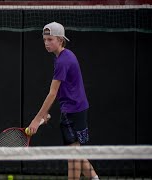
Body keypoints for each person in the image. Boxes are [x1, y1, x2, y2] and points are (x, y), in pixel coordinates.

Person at [27, 22, 99, 180]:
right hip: (79, 109)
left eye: (50, 39)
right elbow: (62, 90)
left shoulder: (62, 61)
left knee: (72, 156)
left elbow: (52, 93)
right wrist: (45, 113)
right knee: (76, 153)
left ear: (60, 40)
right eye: (45, 39)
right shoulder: (67, 55)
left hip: (72, 112)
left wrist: (37, 119)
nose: (46, 43)